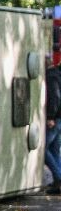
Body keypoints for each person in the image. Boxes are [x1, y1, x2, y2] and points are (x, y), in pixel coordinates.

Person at [45, 60, 61, 194]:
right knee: (54, 150)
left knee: (43, 149)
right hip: (59, 118)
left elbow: (55, 96)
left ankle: (59, 178)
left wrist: (50, 116)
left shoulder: (52, 74)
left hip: (55, 119)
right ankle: (57, 180)